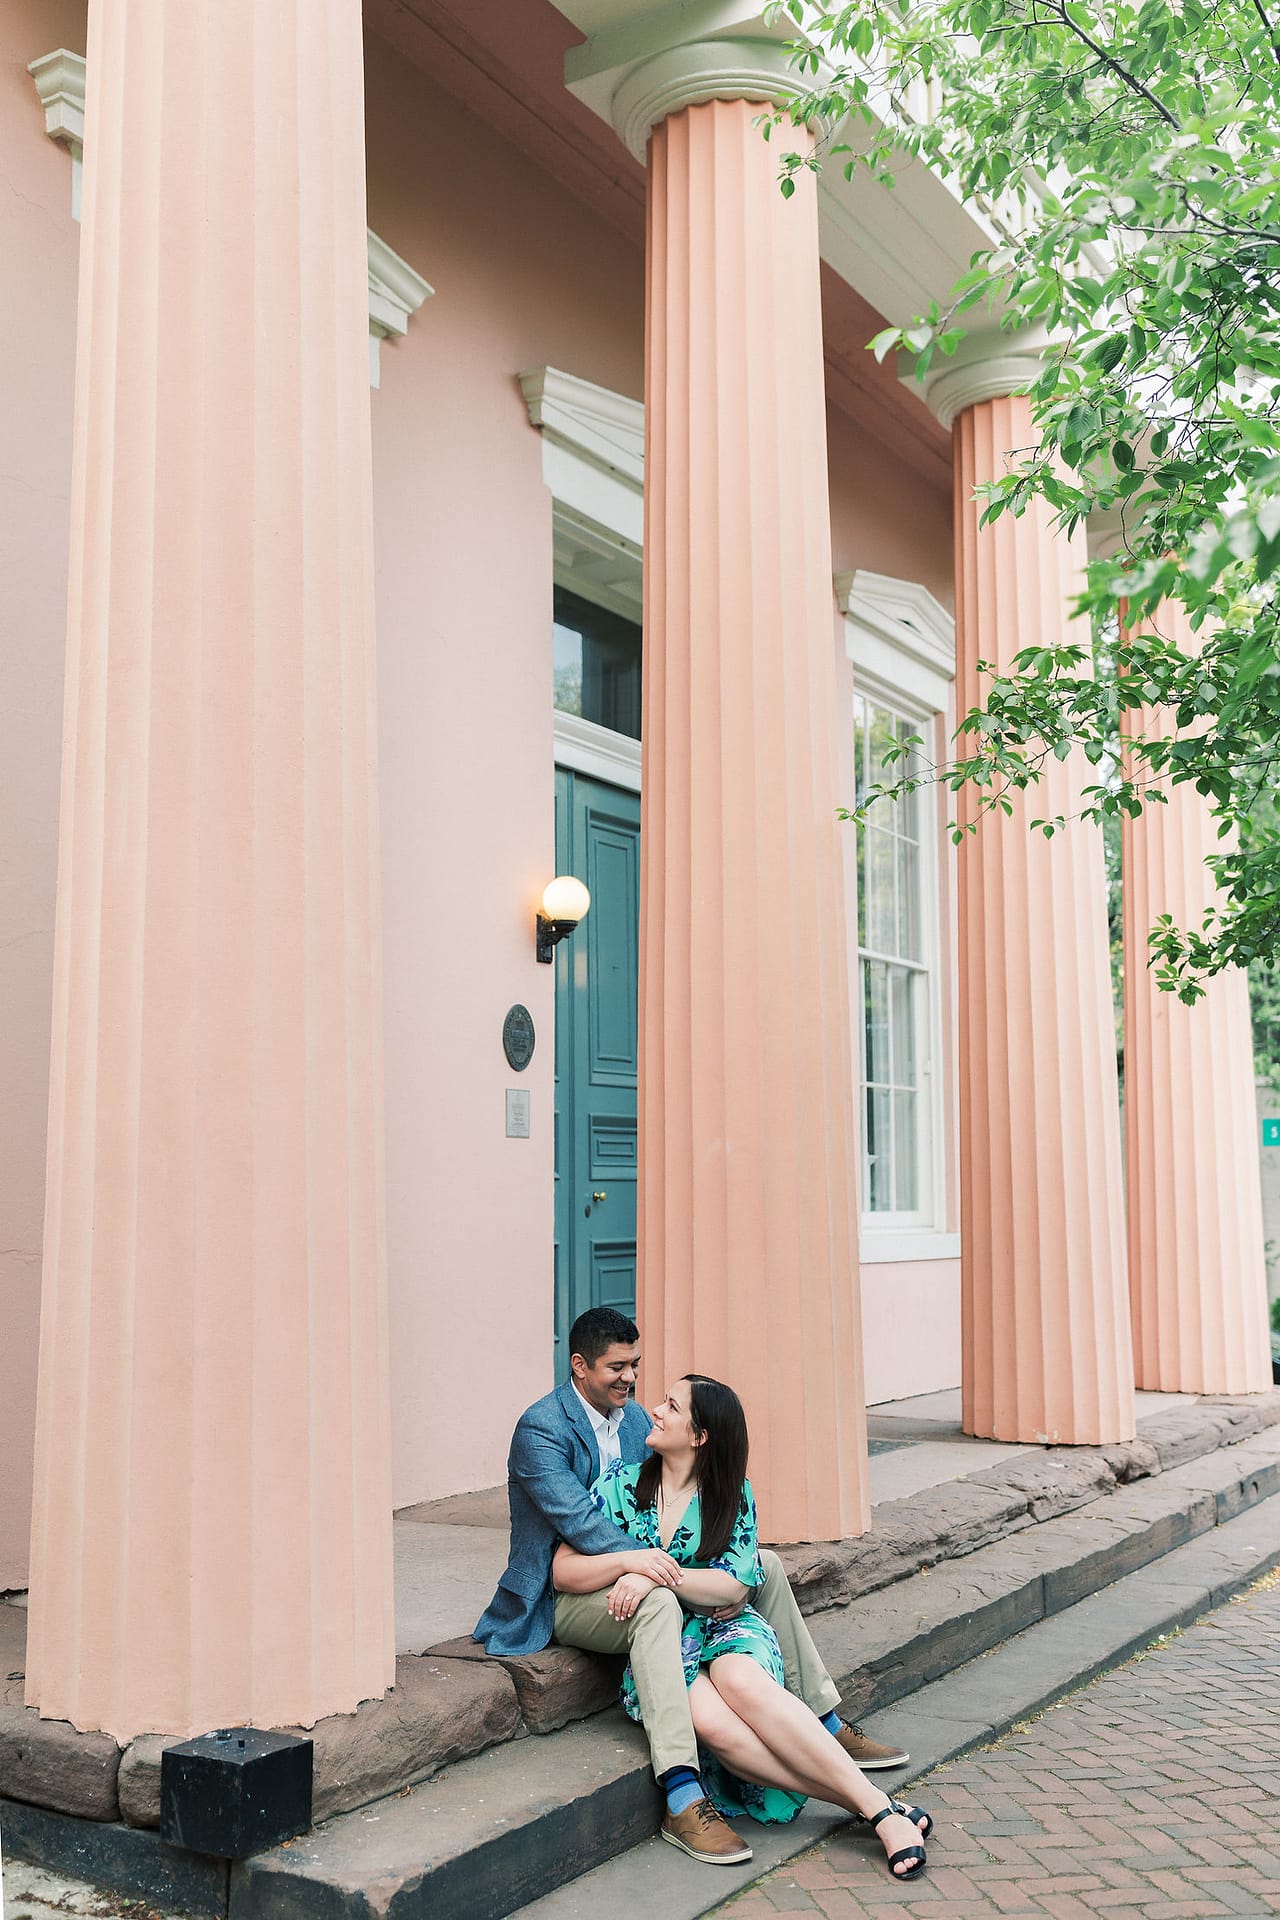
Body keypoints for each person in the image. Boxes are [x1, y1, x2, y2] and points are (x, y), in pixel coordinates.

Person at [475, 1307, 909, 1867]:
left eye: (636, 1365)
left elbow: (683, 1503)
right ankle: (682, 1791)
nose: (633, 1380)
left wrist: (684, 1574)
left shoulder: (635, 1421)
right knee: (669, 1596)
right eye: (618, 1367)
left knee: (765, 1565)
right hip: (564, 1589)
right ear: (580, 1366)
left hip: (636, 1572)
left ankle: (822, 1720)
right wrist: (642, 1566)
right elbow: (580, 1525)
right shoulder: (542, 1429)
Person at [553, 1373, 931, 1881]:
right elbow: (563, 1570)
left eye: (671, 1406)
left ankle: (866, 1792)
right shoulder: (621, 1484)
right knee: (713, 1725)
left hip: (717, 1626)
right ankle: (878, 1808)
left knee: (742, 1679)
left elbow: (733, 1586)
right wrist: (634, 1564)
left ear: (700, 1436)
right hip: (666, 1635)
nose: (655, 1411)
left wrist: (656, 1573)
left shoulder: (731, 1495)